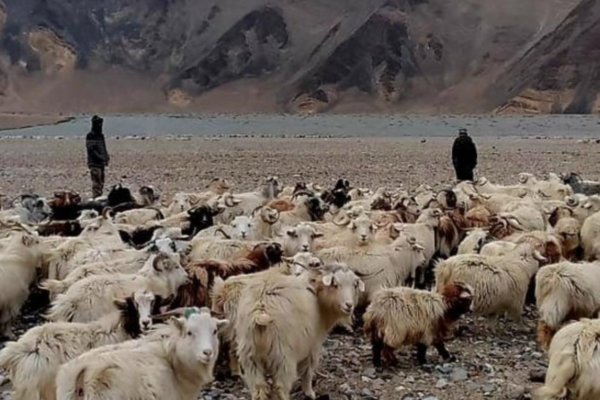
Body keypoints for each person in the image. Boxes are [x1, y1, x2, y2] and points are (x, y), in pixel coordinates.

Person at [86, 115, 110, 198]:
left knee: (101, 182)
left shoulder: (100, 135)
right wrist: (100, 158)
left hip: (101, 163)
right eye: (99, 124)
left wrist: (106, 156)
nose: (100, 126)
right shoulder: (91, 135)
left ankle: (99, 197)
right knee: (96, 183)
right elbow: (91, 150)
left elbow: (103, 147)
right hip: (95, 163)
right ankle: (96, 199)